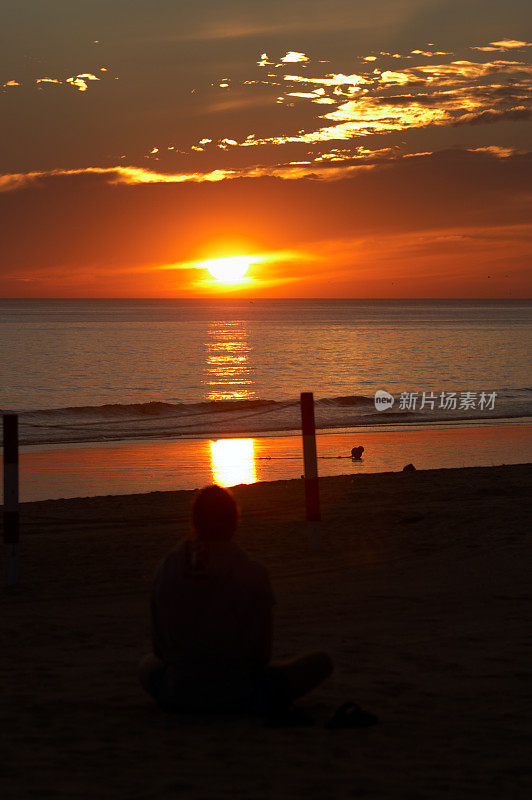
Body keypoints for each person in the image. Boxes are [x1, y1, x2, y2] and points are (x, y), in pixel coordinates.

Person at [139, 484, 333, 716]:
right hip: (241, 693)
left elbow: (159, 650)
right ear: (234, 521)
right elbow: (262, 655)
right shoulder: (252, 572)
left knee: (147, 665)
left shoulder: (168, 567)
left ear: (194, 521)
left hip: (178, 692)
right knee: (321, 662)